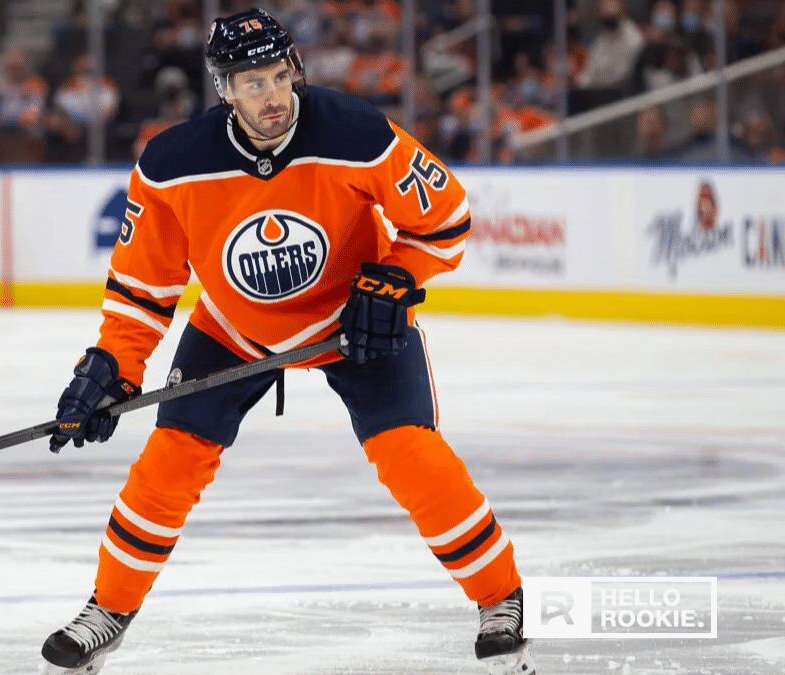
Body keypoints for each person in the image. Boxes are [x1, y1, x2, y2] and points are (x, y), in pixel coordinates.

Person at [40, 8, 533, 675]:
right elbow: (141, 290)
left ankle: (500, 596)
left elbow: (445, 221)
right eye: (251, 83)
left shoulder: (357, 132)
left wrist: (396, 278)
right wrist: (111, 366)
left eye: (279, 76)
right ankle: (108, 609)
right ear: (224, 91)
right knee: (170, 459)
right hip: (234, 328)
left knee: (409, 452)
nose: (271, 96)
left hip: (354, 319)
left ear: (295, 69)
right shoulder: (171, 165)